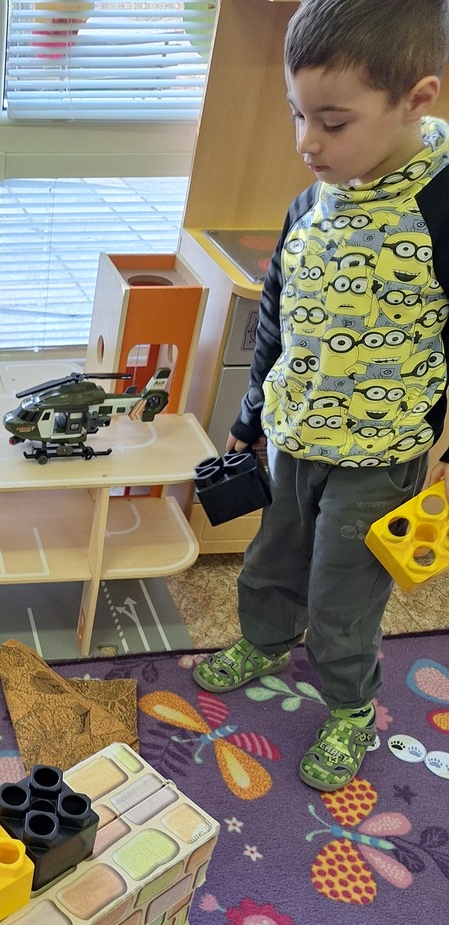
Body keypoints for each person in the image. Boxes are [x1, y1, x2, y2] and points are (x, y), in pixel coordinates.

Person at [193, 0, 449, 792]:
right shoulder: (310, 204)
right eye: (298, 114)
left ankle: (349, 706)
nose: (307, 142)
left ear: (417, 99)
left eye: (333, 123)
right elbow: (277, 318)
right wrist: (249, 420)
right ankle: (266, 639)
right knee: (272, 555)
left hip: (382, 452)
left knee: (344, 591)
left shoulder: (440, 209)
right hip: (296, 435)